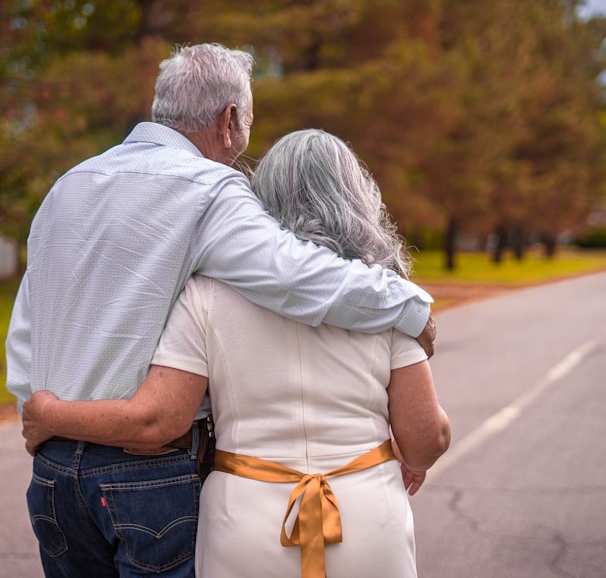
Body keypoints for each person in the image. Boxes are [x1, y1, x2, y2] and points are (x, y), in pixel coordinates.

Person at [6, 44, 436, 578]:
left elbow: (26, 328)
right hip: (146, 476)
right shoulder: (212, 189)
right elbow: (296, 275)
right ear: (229, 121)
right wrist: (408, 303)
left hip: (51, 472)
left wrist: (42, 413)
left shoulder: (67, 186)